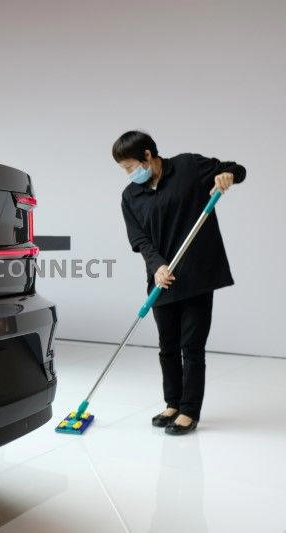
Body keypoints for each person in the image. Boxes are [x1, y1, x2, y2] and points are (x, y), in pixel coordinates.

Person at [113, 130, 245, 435]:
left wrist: (227, 176)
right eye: (123, 169)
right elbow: (139, 239)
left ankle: (189, 411)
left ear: (147, 155)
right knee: (167, 347)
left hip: (196, 275)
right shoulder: (130, 196)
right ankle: (173, 403)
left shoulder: (188, 167)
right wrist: (157, 265)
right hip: (163, 279)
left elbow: (237, 169)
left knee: (191, 347)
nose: (128, 174)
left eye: (130, 166)